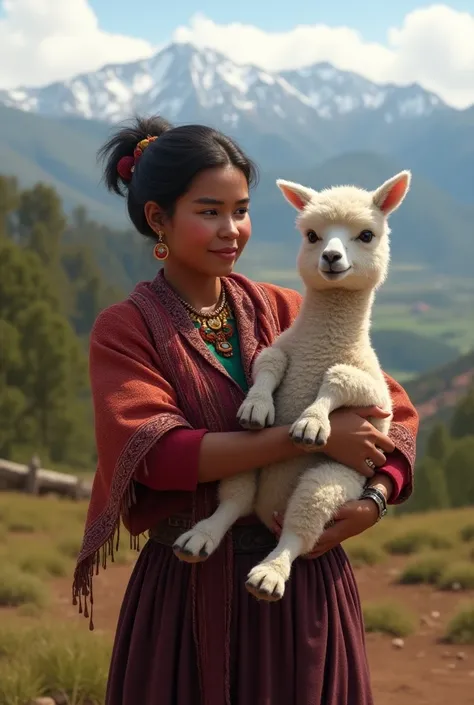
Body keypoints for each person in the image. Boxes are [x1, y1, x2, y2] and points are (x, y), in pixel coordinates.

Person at [73, 116, 418, 705]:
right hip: (186, 591)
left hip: (302, 579)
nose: (231, 229)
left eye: (241, 209)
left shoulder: (286, 308)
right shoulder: (126, 331)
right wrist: (311, 439)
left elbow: (395, 412)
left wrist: (373, 501)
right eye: (209, 211)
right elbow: (160, 453)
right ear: (158, 218)